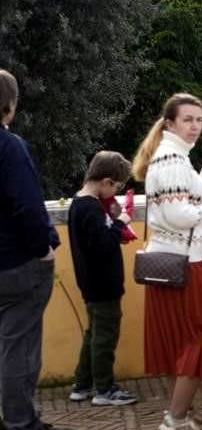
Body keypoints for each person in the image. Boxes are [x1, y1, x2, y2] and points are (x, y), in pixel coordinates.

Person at [131, 93, 202, 430]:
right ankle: (176, 418)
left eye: (198, 120)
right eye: (187, 120)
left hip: (177, 262)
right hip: (181, 265)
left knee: (180, 343)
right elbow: (179, 215)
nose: (195, 126)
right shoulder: (170, 160)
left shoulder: (176, 157)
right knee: (195, 340)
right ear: (170, 123)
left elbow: (189, 196)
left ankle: (182, 411)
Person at [0, 68, 73, 430]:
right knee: (19, 347)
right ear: (9, 108)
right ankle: (24, 427)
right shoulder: (9, 148)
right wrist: (44, 247)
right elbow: (28, 207)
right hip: (15, 264)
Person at [66, 151, 138, 406]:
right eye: (116, 186)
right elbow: (102, 244)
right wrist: (120, 222)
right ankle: (104, 389)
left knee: (93, 332)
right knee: (105, 335)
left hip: (90, 283)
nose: (115, 191)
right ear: (106, 181)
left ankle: (82, 384)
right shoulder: (91, 209)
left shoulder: (80, 203)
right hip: (103, 284)